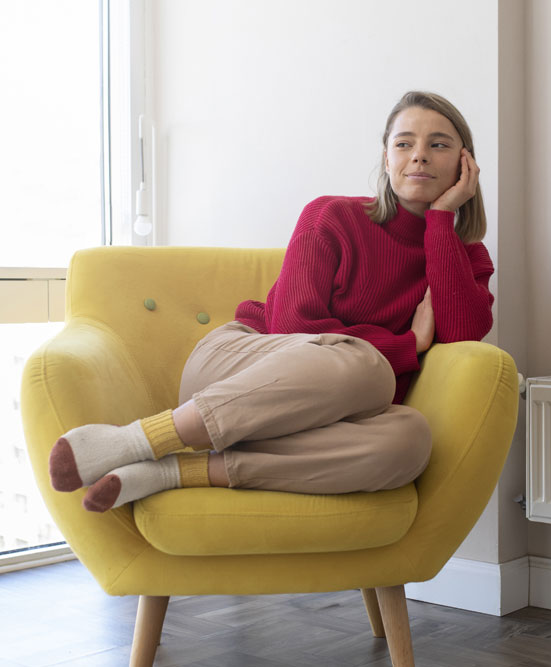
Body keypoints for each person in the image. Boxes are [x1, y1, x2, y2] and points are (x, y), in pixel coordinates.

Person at [48, 91, 494, 512]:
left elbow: (462, 335)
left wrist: (442, 220)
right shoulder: (332, 215)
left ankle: (177, 471)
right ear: (387, 158)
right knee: (370, 367)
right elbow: (293, 326)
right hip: (238, 365)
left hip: (321, 417)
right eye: (404, 143)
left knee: (410, 439)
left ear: (464, 163)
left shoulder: (462, 257)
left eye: (438, 144)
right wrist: (405, 346)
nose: (418, 154)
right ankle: (140, 440)